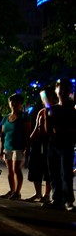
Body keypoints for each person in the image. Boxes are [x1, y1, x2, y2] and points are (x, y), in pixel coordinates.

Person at [44, 79, 76, 211]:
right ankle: (57, 199)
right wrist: (47, 115)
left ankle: (69, 201)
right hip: (53, 144)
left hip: (67, 144)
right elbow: (47, 130)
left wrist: (63, 130)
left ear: (69, 91)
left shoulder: (73, 108)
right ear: (56, 91)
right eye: (60, 88)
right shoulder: (53, 108)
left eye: (65, 89)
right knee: (54, 172)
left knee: (66, 173)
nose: (62, 91)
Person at [0, 93, 32, 200]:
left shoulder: (24, 117)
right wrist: (1, 149)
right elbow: (3, 134)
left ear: (20, 104)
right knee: (10, 170)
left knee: (17, 169)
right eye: (11, 102)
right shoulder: (6, 118)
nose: (13, 104)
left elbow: (28, 134)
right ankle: (12, 190)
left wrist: (27, 147)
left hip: (19, 147)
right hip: (7, 147)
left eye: (16, 102)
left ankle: (17, 192)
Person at [27, 89, 55, 202]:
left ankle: (46, 194)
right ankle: (38, 193)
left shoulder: (54, 110)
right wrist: (28, 143)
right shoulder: (41, 111)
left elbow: (49, 129)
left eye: (46, 98)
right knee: (35, 168)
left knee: (48, 169)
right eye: (43, 98)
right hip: (38, 142)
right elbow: (37, 129)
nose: (44, 100)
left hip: (50, 142)